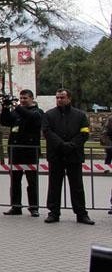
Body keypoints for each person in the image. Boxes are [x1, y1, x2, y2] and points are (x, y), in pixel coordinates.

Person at [42, 89, 94, 225]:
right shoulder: (49, 115)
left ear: (69, 99)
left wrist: (71, 145)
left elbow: (84, 133)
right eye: (57, 97)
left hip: (74, 155)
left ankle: (81, 214)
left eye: (62, 97)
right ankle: (53, 213)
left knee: (77, 186)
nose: (59, 100)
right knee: (54, 185)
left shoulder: (80, 115)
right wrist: (60, 144)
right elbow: (47, 132)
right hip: (56, 155)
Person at [0, 89, 42, 217]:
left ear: (32, 99)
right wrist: (5, 108)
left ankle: (34, 207)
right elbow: (5, 121)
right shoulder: (17, 112)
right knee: (15, 182)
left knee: (32, 182)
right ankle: (16, 206)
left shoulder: (38, 112)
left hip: (30, 152)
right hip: (15, 151)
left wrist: (17, 106)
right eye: (21, 98)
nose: (22, 100)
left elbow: (31, 118)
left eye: (25, 98)